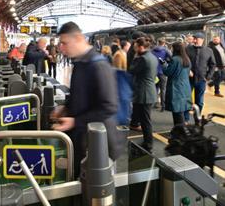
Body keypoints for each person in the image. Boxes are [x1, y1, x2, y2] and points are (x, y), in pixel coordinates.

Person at [52, 22, 119, 176]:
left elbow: (109, 107)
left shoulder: (98, 65)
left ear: (78, 38)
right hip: (84, 140)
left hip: (99, 145)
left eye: (64, 43)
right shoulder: (81, 63)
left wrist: (76, 121)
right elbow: (80, 95)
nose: (61, 48)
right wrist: (65, 108)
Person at [129, 37, 158, 151]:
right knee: (144, 118)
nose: (134, 48)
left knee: (146, 120)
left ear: (141, 47)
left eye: (135, 46)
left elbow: (132, 70)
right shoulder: (152, 56)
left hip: (144, 92)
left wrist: (135, 58)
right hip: (148, 90)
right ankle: (147, 141)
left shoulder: (142, 59)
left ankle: (148, 144)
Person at [186, 32, 215, 117]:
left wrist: (208, 77)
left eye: (196, 39)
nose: (194, 40)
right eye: (194, 38)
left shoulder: (208, 51)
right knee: (187, 100)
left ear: (202, 40)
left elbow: (212, 64)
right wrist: (188, 71)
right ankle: (186, 119)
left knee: (199, 101)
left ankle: (197, 118)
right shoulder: (188, 49)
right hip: (188, 79)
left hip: (201, 80)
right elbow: (183, 62)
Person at [163, 42, 192, 125]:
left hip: (176, 87)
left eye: (172, 48)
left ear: (175, 49)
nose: (171, 50)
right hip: (185, 86)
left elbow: (168, 72)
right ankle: (180, 129)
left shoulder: (175, 59)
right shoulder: (187, 59)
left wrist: (164, 65)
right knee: (181, 109)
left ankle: (180, 130)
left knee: (177, 111)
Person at [152, 38, 171, 111]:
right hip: (163, 72)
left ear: (158, 42)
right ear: (164, 43)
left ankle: (154, 103)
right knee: (163, 89)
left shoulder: (152, 50)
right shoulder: (166, 50)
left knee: (155, 88)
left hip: (154, 72)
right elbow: (171, 58)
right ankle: (163, 106)